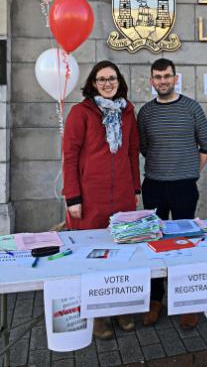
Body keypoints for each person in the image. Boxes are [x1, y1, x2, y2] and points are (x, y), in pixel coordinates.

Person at [63, 60, 141, 340]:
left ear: (119, 81)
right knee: (92, 258)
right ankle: (96, 314)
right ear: (93, 84)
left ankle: (121, 307)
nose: (108, 84)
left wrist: (135, 189)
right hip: (89, 196)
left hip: (121, 195)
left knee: (122, 255)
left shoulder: (128, 112)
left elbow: (132, 152)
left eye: (112, 79)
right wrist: (72, 196)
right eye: (101, 79)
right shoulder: (80, 113)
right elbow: (69, 156)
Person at [137, 58, 207, 330]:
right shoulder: (145, 113)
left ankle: (187, 302)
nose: (162, 81)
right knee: (155, 243)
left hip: (184, 186)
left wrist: (191, 170)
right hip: (154, 185)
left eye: (167, 76)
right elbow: (144, 147)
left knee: (184, 244)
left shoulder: (192, 107)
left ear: (175, 77)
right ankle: (156, 299)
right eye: (157, 77)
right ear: (151, 80)